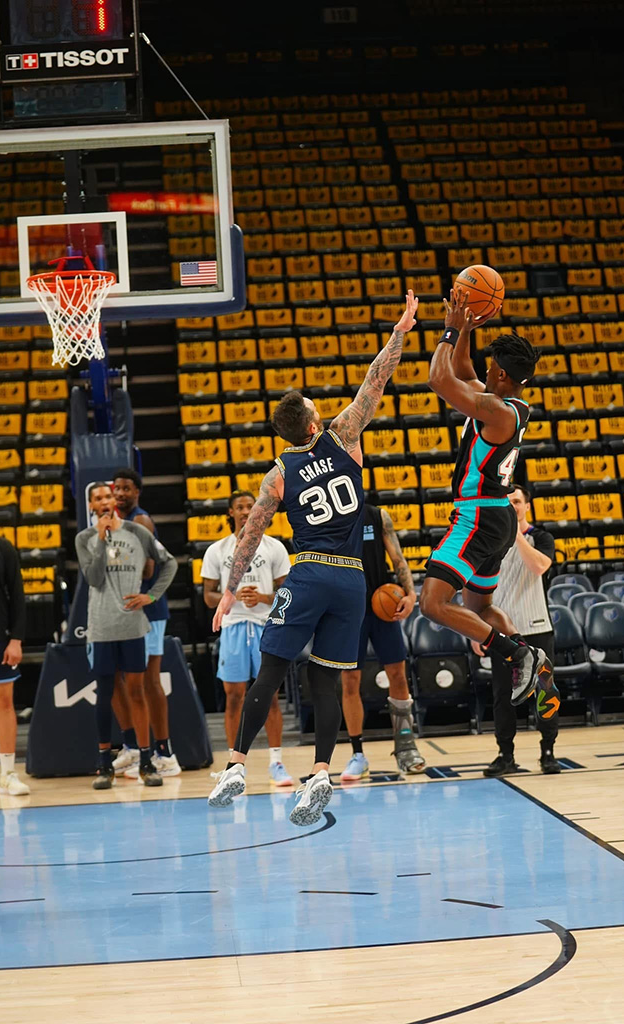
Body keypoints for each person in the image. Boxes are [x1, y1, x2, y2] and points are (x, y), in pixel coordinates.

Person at [208, 290, 419, 825]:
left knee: (274, 669)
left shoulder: (277, 473)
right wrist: (400, 333)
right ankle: (322, 771)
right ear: (310, 426)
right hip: (351, 582)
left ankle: (236, 763)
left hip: (307, 574)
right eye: (316, 411)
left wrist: (230, 590)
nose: (323, 412)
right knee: (327, 679)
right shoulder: (345, 437)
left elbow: (252, 533)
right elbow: (377, 380)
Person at [419, 289, 554, 705]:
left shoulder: (496, 411)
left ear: (500, 374)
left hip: (477, 516)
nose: (485, 368)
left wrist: (450, 329)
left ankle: (519, 654)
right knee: (479, 610)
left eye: (491, 365)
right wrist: (467, 331)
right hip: (497, 517)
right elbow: (461, 367)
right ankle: (534, 663)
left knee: (433, 604)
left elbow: (440, 378)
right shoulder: (507, 402)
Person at [75, 483, 177, 790]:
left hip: (132, 626)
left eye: (107, 496)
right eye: (97, 499)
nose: (104, 502)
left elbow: (169, 562)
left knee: (137, 691)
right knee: (105, 695)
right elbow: (93, 578)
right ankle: (104, 763)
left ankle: (147, 761)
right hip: (102, 628)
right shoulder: (85, 538)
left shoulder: (137, 532)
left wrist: (152, 596)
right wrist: (102, 540)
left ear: (114, 501)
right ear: (91, 505)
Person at [201, 490, 293, 786]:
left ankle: (276, 762)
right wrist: (231, 596)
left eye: (249, 506)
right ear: (230, 512)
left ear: (258, 511)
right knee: (234, 696)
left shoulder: (274, 547)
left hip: (267, 627)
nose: (244, 511)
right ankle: (233, 767)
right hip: (234, 626)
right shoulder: (217, 550)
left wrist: (264, 597)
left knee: (270, 697)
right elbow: (207, 596)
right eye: (239, 506)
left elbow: (287, 592)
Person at [472, 486, 561, 775]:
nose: (512, 506)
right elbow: (474, 585)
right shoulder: (488, 541)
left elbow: (539, 567)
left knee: (545, 691)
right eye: (507, 503)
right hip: (502, 633)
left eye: (517, 502)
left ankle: (548, 751)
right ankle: (506, 755)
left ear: (527, 506)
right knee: (502, 696)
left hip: (537, 626)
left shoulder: (541, 537)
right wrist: (476, 629)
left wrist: (515, 534)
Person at [340, 503, 426, 779]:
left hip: (382, 606)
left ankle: (406, 747)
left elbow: (398, 559)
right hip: (348, 611)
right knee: (350, 681)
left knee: (398, 676)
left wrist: (411, 594)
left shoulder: (377, 516)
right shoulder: (327, 516)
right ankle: (357, 755)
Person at [109, 468, 181, 779]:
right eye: (117, 488)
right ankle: (134, 746)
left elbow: (150, 569)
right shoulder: (112, 523)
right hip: (124, 612)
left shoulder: (140, 521)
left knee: (148, 682)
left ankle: (164, 752)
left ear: (137, 492)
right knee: (116, 679)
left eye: (126, 488)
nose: (120, 493)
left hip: (148, 611)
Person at [0, 532, 30, 796]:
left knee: (4, 703)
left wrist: (16, 638)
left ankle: (7, 774)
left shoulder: (1, 547)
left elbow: (17, 595)